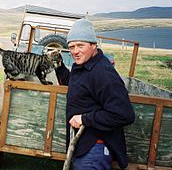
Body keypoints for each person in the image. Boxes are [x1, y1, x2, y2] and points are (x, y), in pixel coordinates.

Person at [55, 19, 135, 169]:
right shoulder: (84, 66)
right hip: (83, 146)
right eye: (71, 46)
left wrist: (84, 118)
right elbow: (77, 86)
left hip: (94, 150)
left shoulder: (103, 73)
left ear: (93, 45)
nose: (75, 51)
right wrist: (59, 66)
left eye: (80, 45)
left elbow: (125, 114)